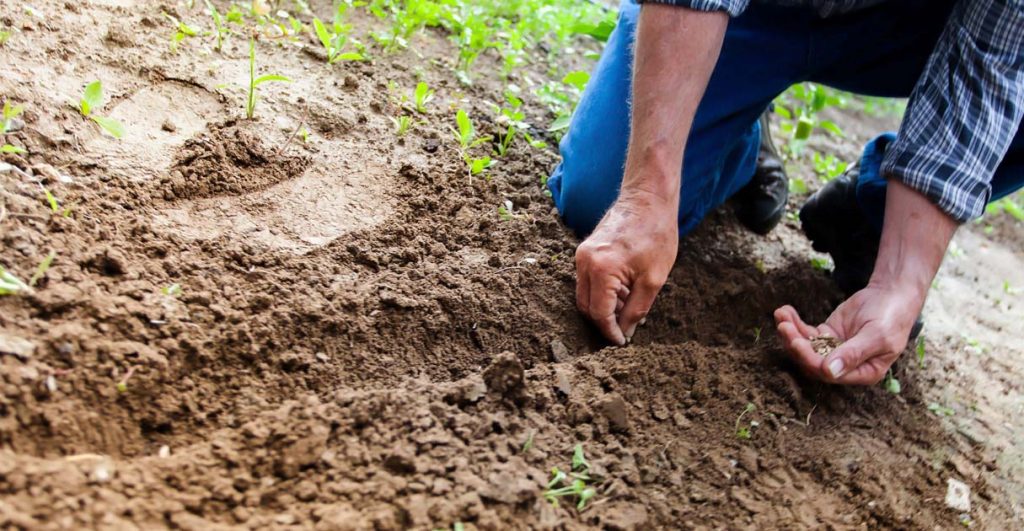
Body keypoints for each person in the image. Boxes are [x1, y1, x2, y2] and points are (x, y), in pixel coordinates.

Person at [547, 0, 1023, 385]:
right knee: (601, 196)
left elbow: (990, 65)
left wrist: (900, 282)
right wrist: (646, 195)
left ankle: (872, 213)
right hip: (751, 11)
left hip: (909, 27)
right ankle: (739, 144)